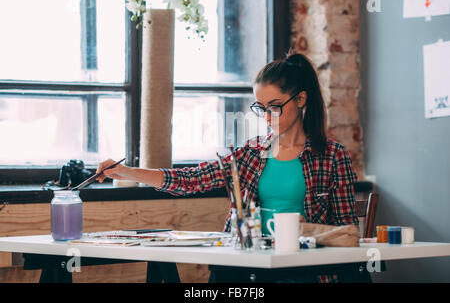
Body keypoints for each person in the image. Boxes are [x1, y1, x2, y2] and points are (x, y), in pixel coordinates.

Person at [96, 53, 360, 283]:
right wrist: (128, 172)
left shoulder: (332, 157)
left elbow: (348, 232)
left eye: (276, 107)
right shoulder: (251, 154)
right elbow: (193, 179)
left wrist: (309, 230)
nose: (268, 117)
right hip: (248, 267)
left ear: (301, 99)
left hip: (306, 271)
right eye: (261, 108)